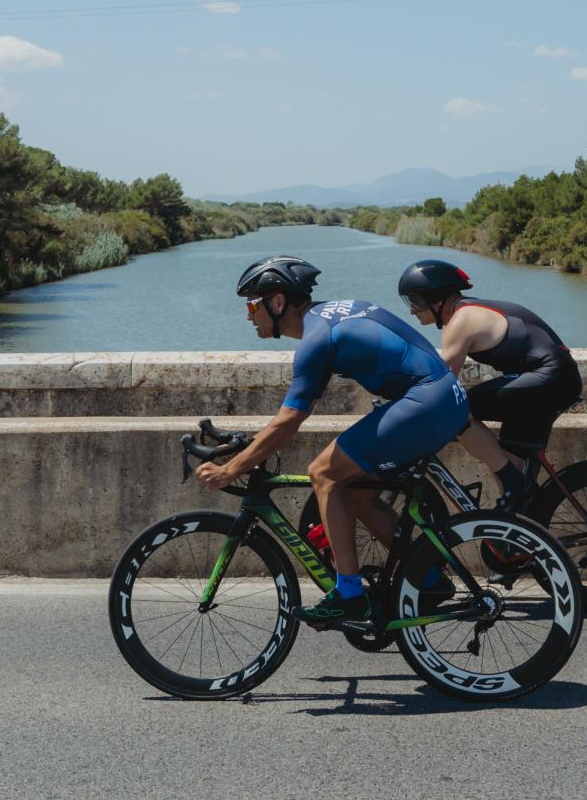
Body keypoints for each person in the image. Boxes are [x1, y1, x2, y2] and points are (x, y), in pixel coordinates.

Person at [194, 254, 469, 627]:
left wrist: (231, 470)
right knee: (355, 492)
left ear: (277, 303)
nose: (248, 315)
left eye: (252, 304)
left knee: (323, 472)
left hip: (425, 403)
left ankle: (350, 595)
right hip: (444, 398)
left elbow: (290, 420)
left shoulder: (315, 339)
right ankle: (429, 581)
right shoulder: (332, 314)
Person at [396, 259, 583, 511]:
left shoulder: (461, 321)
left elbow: (439, 383)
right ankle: (518, 528)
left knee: (458, 410)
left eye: (416, 302)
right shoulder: (472, 309)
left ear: (436, 298)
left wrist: (400, 404)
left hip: (547, 379)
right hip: (552, 380)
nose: (412, 310)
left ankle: (514, 485)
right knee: (509, 461)